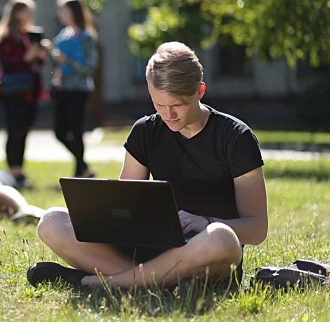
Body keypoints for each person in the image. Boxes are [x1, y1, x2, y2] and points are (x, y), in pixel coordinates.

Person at [28, 42, 268, 290]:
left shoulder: (236, 137)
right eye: (159, 104)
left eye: (178, 104)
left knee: (221, 238)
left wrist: (205, 221)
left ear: (200, 91)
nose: (169, 115)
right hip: (148, 247)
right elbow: (124, 208)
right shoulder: (145, 131)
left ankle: (95, 282)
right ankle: (157, 283)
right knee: (52, 221)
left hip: (204, 249)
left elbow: (257, 228)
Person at [0, 0, 48, 189]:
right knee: (14, 130)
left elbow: (36, 64)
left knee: (24, 130)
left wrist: (40, 54)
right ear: (16, 13)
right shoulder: (6, 36)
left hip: (30, 91)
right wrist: (28, 56)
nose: (30, 15)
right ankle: (14, 171)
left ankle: (19, 171)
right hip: (13, 91)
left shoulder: (27, 35)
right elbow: (8, 63)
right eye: (26, 11)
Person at [49, 0, 99, 178]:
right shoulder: (63, 35)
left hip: (80, 89)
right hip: (63, 89)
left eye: (63, 10)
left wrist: (66, 60)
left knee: (76, 131)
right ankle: (84, 167)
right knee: (60, 132)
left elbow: (90, 67)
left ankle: (79, 173)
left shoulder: (87, 36)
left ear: (73, 11)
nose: (60, 14)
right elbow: (58, 63)